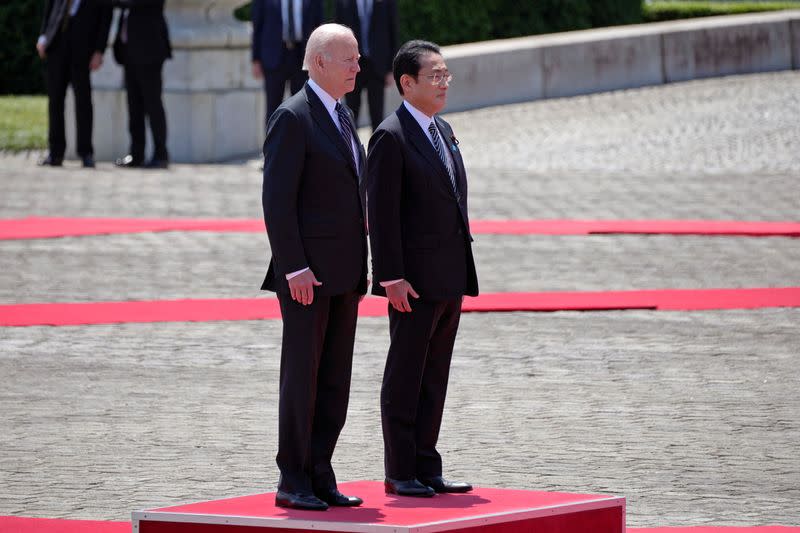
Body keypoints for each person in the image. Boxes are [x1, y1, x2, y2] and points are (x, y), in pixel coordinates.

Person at [261, 23, 367, 511]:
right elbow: (277, 203)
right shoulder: (293, 116)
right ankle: (293, 477)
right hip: (307, 276)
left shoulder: (344, 116)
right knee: (301, 378)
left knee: (334, 379)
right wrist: (294, 267)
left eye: (358, 58)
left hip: (344, 275)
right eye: (349, 58)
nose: (357, 66)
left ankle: (321, 470)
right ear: (319, 61)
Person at [367, 40, 478, 498]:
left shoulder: (443, 128)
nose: (443, 83)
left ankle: (427, 465)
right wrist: (391, 276)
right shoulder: (390, 137)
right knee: (406, 375)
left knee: (435, 375)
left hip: (449, 274)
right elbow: (382, 213)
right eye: (435, 76)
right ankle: (400, 470)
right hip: (412, 281)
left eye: (446, 74)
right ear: (406, 83)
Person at [36, 0, 112, 168]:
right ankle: (55, 152)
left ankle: (86, 152)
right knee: (55, 100)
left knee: (83, 101)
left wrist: (99, 50)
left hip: (83, 48)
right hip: (56, 43)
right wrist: (43, 36)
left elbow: (106, 17)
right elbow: (50, 8)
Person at [103, 0, 171, 169]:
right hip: (130, 50)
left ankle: (160, 154)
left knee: (153, 104)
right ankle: (136, 154)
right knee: (134, 106)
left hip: (149, 49)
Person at [251, 0, 323, 122]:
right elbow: (257, 25)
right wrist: (256, 59)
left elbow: (319, 26)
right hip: (274, 57)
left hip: (303, 56)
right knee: (273, 108)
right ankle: (273, 141)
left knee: (304, 108)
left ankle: (301, 141)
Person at [334, 0, 397, 132]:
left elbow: (393, 31)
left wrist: (391, 69)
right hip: (351, 66)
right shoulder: (343, 3)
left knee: (377, 115)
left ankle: (377, 151)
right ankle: (352, 150)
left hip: (378, 66)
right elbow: (337, 37)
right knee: (350, 114)